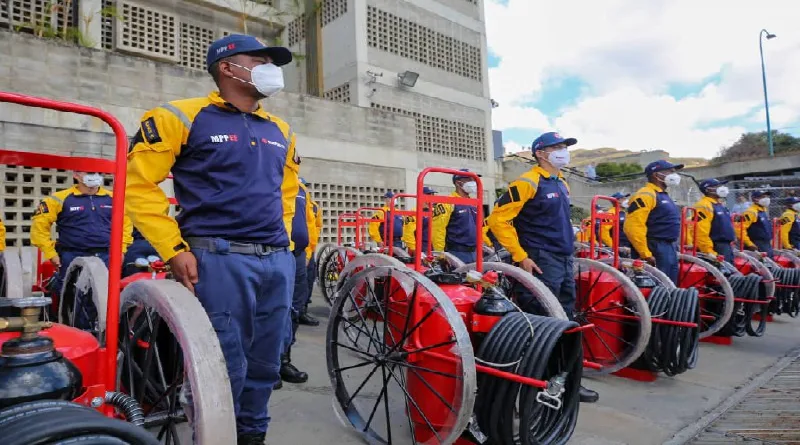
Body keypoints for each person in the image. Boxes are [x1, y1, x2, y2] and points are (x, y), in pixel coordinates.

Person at [124, 34, 299, 444]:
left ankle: (252, 434)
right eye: (259, 60)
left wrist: (286, 247)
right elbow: (138, 187)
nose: (271, 70)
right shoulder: (179, 117)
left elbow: (287, 192)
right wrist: (174, 249)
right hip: (218, 259)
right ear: (228, 67)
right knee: (222, 365)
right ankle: (213, 435)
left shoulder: (282, 131)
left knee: (266, 364)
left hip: (276, 261)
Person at [487, 131, 598, 404]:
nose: (563, 151)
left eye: (564, 146)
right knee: (540, 321)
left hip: (563, 258)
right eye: (557, 147)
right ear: (540, 153)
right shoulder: (527, 182)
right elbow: (498, 220)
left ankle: (565, 379)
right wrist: (520, 255)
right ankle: (534, 381)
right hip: (539, 259)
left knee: (566, 320)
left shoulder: (561, 182)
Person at [30, 171, 133, 319]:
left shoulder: (114, 199)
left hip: (105, 255)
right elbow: (39, 228)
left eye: (98, 172)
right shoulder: (58, 199)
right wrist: (51, 253)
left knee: (103, 296)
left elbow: (126, 226)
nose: (95, 175)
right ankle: (64, 325)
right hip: (72, 255)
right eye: (90, 172)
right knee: (69, 295)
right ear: (76, 175)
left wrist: (121, 250)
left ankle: (99, 331)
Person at [280, 178, 316, 387]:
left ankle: (284, 360)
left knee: (294, 308)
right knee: (272, 310)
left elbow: (309, 222)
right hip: (277, 251)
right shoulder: (271, 175)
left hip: (300, 255)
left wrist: (309, 251)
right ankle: (265, 367)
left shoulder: (301, 189)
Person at [623, 160, 683, 284]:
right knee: (657, 288)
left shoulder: (662, 195)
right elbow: (633, 227)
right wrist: (645, 253)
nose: (674, 175)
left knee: (670, 285)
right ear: (656, 175)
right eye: (670, 171)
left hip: (669, 247)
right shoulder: (645, 194)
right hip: (655, 246)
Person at [434, 169, 479, 263]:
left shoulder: (474, 203)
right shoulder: (447, 202)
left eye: (474, 180)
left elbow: (479, 227)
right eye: (469, 180)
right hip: (456, 252)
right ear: (458, 183)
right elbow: (438, 229)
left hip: (475, 252)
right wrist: (439, 253)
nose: (474, 183)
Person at [692, 179, 736, 263]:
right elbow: (700, 231)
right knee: (722, 274)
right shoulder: (703, 205)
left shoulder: (719, 205)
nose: (721, 188)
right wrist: (709, 251)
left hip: (725, 246)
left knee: (730, 273)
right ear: (708, 189)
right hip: (716, 246)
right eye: (717, 186)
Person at [302, 180, 323, 326]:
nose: (306, 189)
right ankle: (295, 311)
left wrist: (312, 247)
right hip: (300, 250)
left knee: (309, 279)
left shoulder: (314, 207)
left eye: (307, 187)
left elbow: (317, 227)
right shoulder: (296, 204)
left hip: (311, 249)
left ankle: (303, 310)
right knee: (299, 282)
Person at [401, 187, 438, 253]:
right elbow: (408, 231)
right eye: (429, 195)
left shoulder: (434, 211)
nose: (432, 197)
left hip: (433, 245)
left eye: (433, 195)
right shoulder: (414, 212)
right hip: (420, 246)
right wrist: (413, 248)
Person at [738, 190, 774, 256]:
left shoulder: (762, 211)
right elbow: (740, 229)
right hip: (757, 244)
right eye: (763, 197)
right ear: (755, 199)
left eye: (766, 196)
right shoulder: (751, 212)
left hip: (766, 243)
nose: (766, 199)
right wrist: (749, 243)